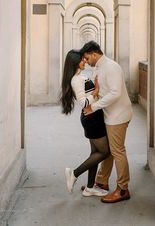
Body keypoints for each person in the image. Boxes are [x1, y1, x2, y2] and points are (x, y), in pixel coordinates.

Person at [80, 41, 133, 203]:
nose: (86, 61)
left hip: (118, 116)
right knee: (109, 150)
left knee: (117, 151)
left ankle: (123, 189)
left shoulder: (111, 67)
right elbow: (101, 91)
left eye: (87, 58)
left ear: (94, 53)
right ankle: (102, 182)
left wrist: (93, 107)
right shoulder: (98, 68)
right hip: (109, 115)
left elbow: (115, 93)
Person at [61, 49, 110, 197]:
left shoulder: (79, 76)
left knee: (95, 153)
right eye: (82, 60)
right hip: (92, 118)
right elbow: (83, 102)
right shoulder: (76, 80)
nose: (85, 61)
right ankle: (74, 174)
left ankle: (89, 188)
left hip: (93, 116)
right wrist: (95, 93)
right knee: (104, 152)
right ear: (75, 62)